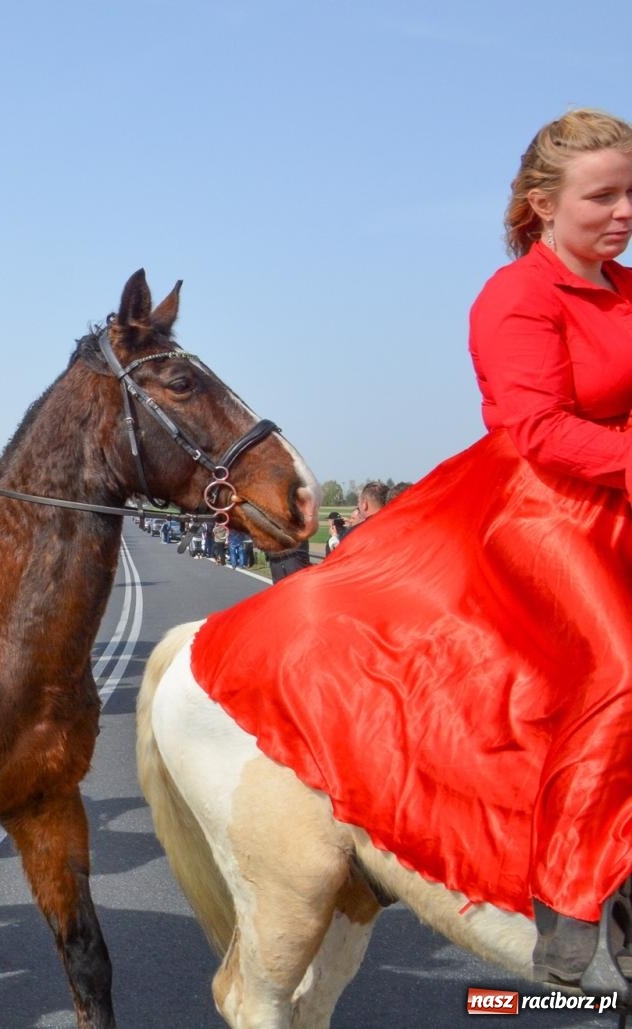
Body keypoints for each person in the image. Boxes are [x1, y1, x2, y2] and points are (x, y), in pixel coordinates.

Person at [188, 109, 632, 991]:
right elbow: (534, 429)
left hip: (618, 494)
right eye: (604, 195)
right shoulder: (515, 298)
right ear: (541, 206)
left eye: (630, 193)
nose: (623, 211)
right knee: (619, 666)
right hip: (543, 505)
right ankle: (573, 895)